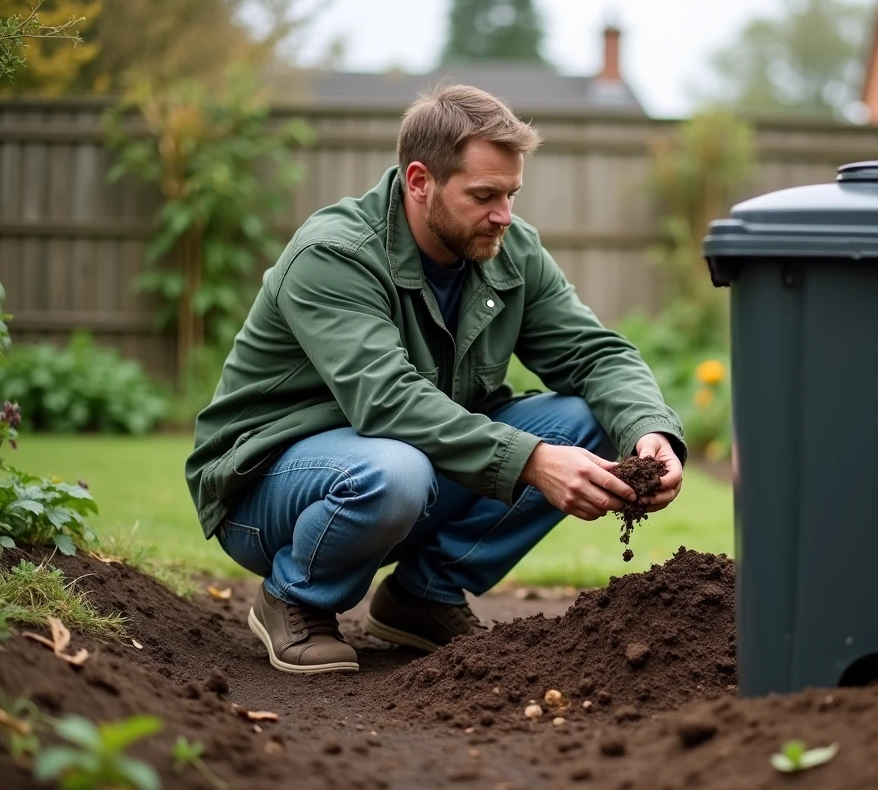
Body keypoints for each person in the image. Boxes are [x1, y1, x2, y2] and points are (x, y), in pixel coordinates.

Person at [183, 83, 688, 674]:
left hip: (411, 466)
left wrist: (650, 432)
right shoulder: (336, 254)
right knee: (393, 471)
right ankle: (293, 597)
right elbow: (388, 402)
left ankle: (424, 595)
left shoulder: (509, 250)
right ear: (420, 181)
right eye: (483, 195)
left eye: (511, 194)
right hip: (269, 485)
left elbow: (596, 355)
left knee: (583, 421)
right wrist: (533, 461)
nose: (503, 215)